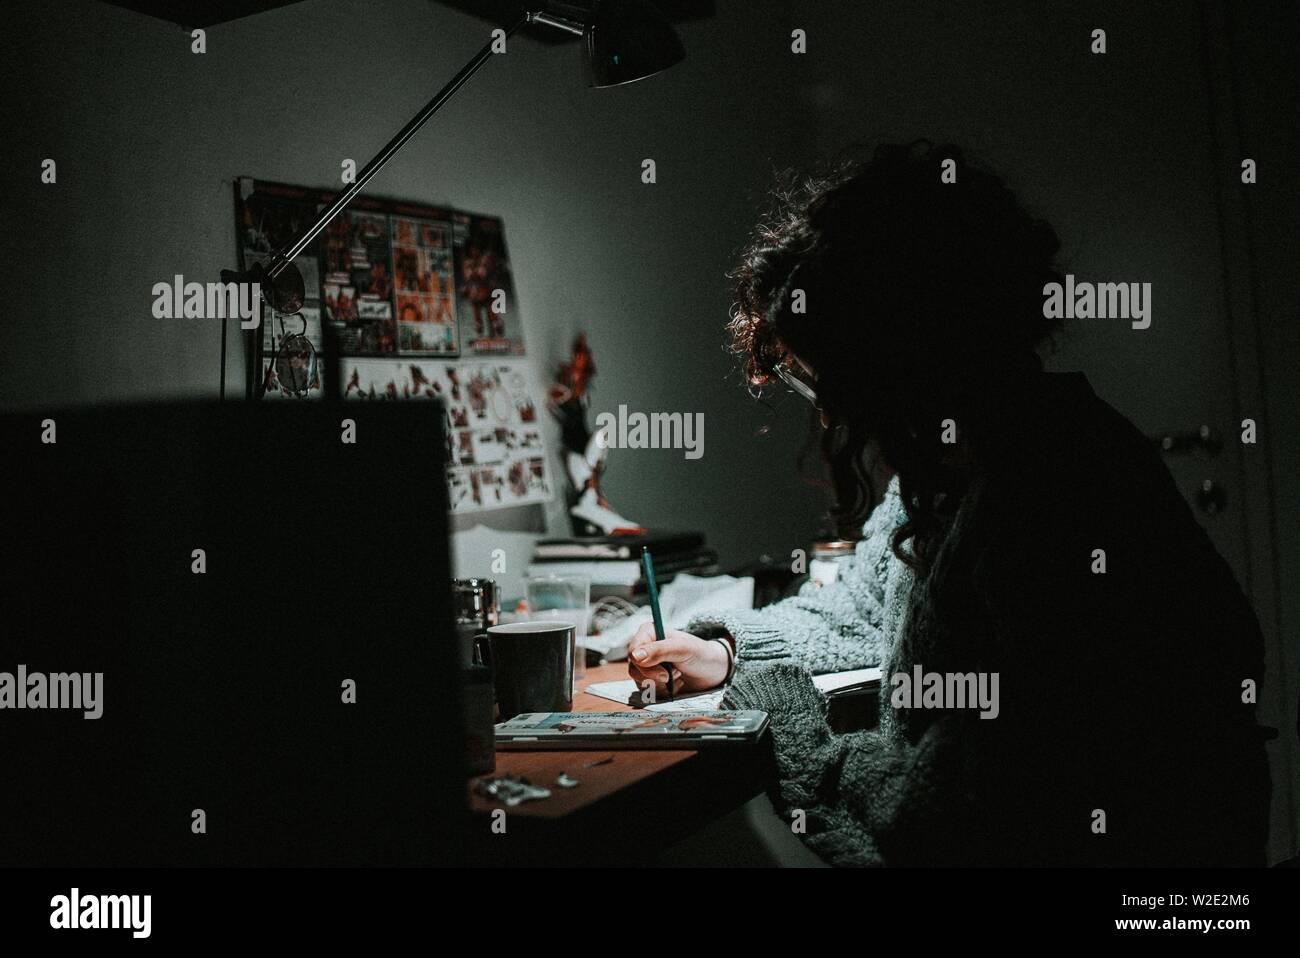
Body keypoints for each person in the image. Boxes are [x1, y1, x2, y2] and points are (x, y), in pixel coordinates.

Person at [626, 141, 1272, 866]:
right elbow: (864, 607)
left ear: (900, 359)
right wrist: (727, 649)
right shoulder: (949, 468)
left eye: (823, 384)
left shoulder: (1049, 497)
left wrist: (781, 713)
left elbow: (937, 824)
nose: (832, 418)